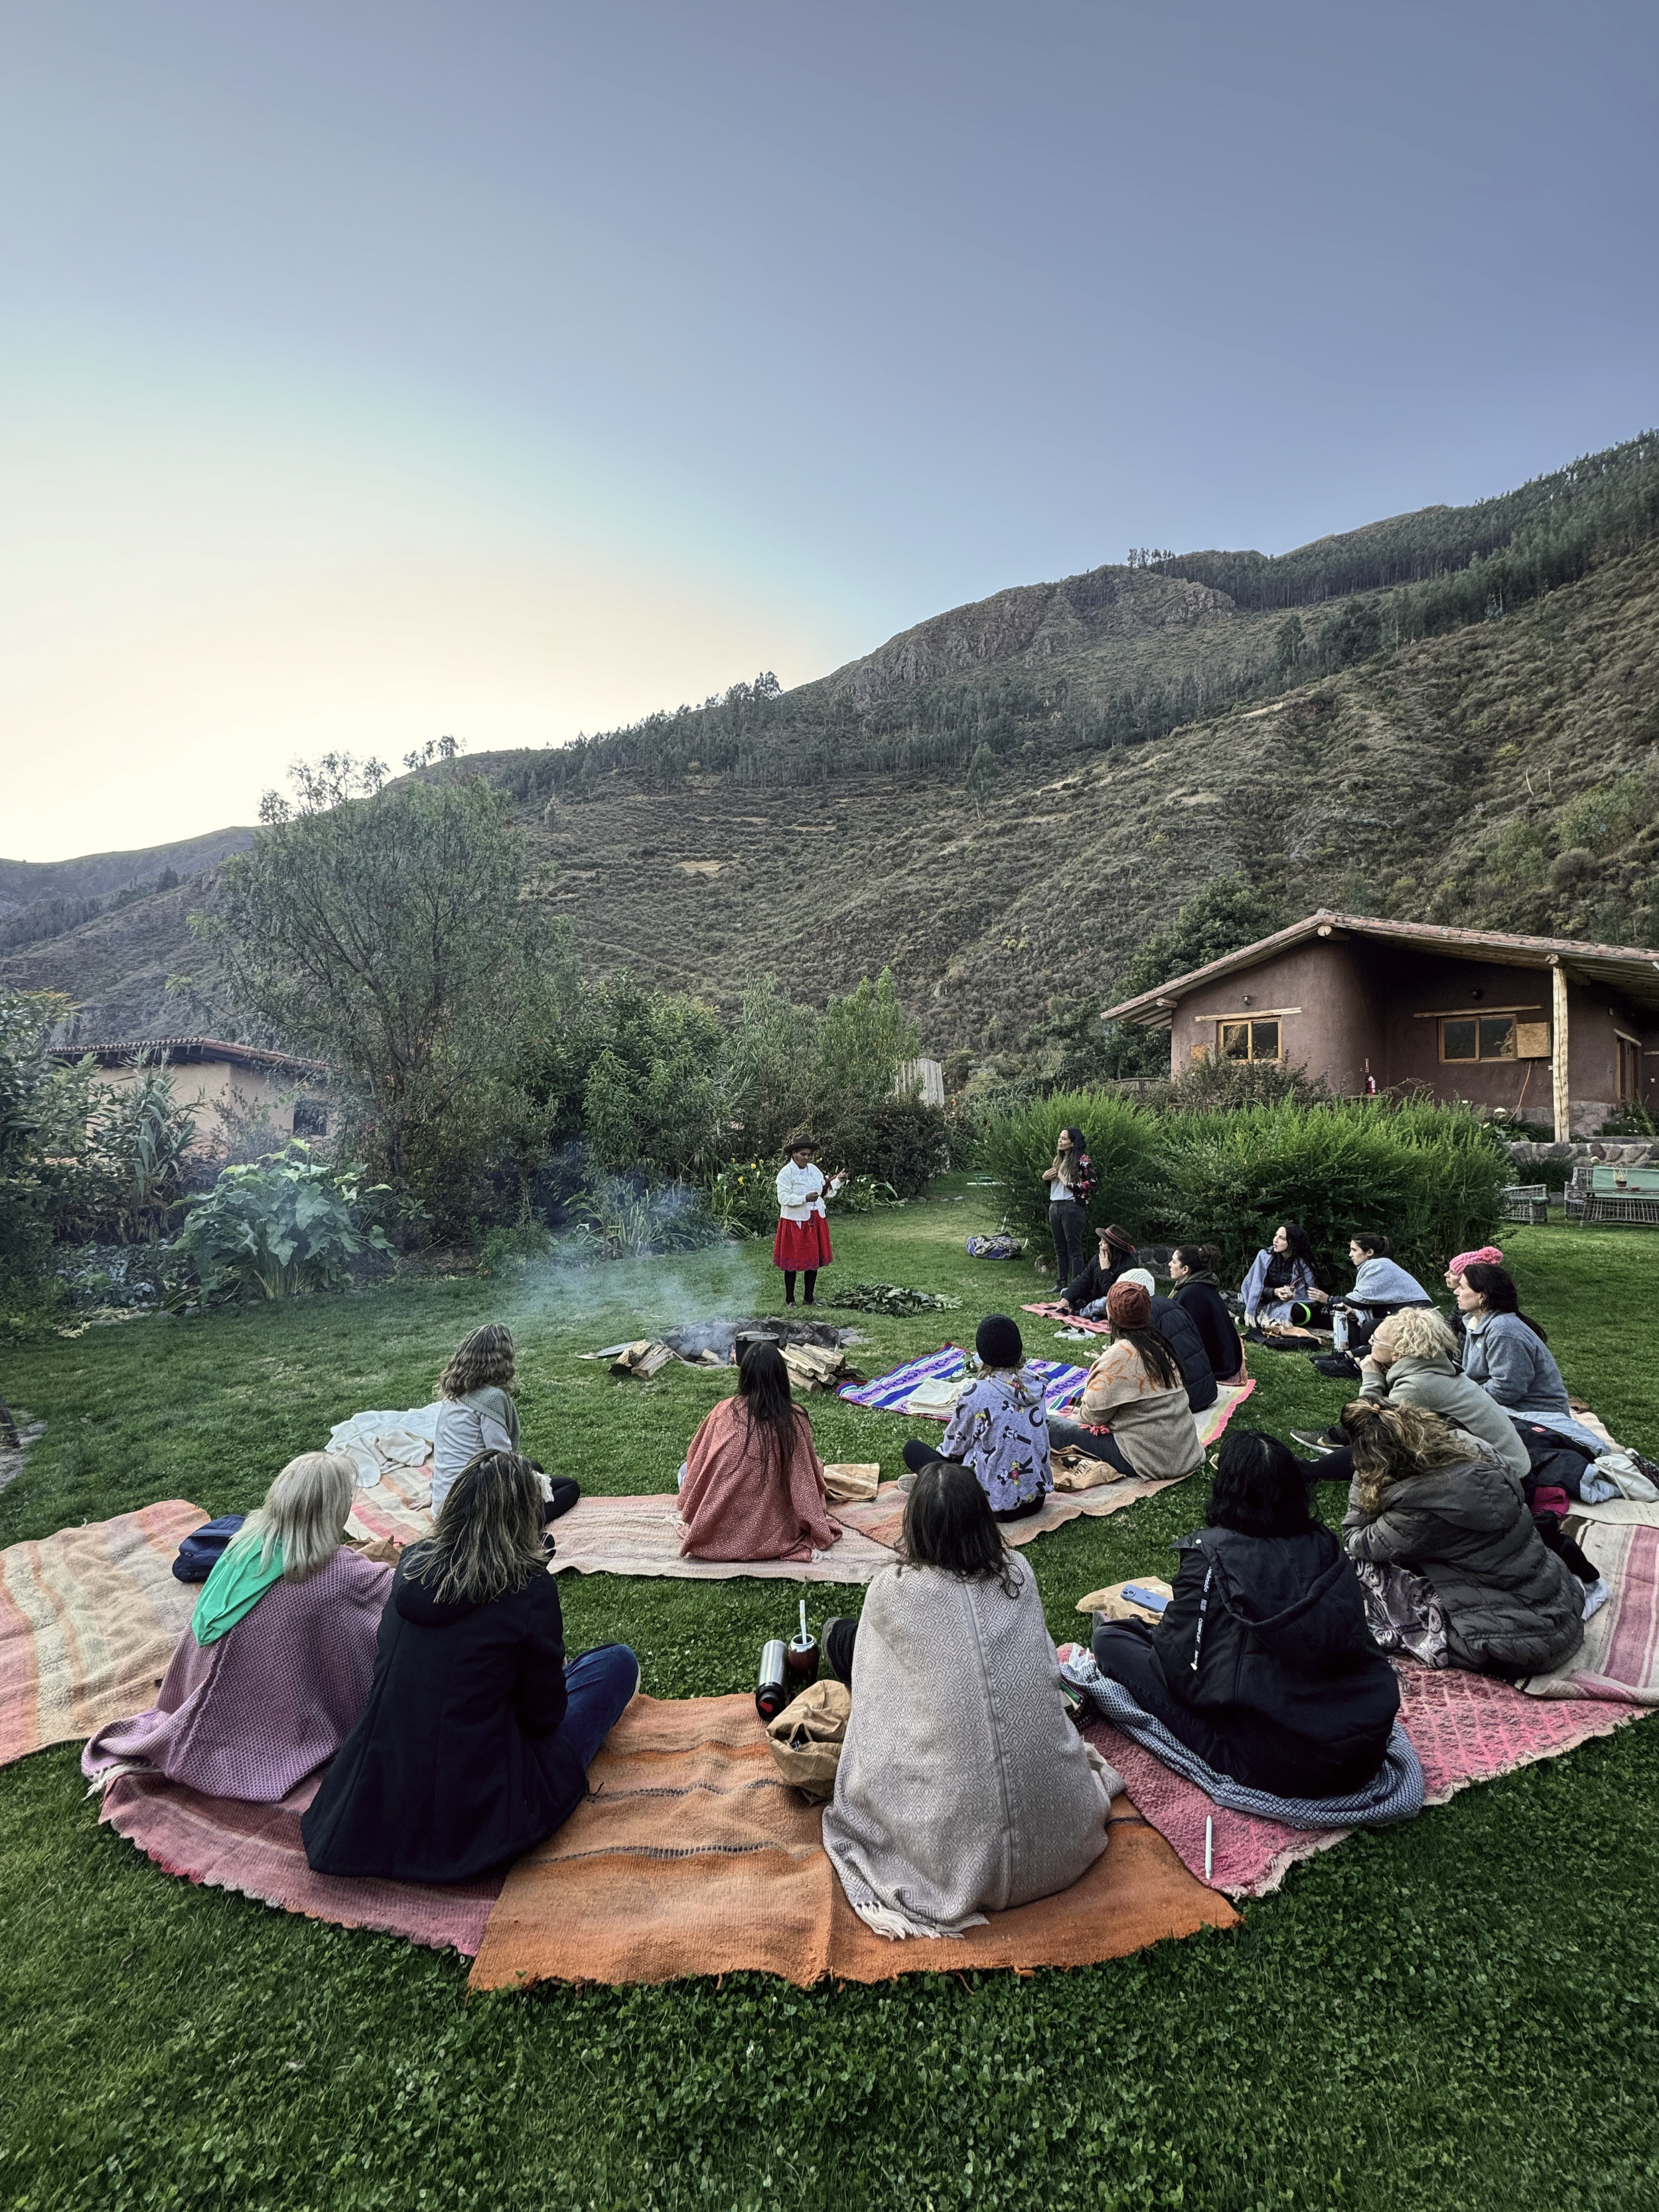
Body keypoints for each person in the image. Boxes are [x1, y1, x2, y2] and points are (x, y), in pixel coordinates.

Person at [302, 1451, 639, 1883]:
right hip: (477, 1807)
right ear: (526, 1518)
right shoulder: (529, 1589)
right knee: (615, 1664)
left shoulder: (411, 1563)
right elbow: (543, 1717)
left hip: (373, 1795)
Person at [820, 1460, 1116, 1938]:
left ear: (915, 1528)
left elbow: (878, 1703)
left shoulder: (891, 1592)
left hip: (949, 1861)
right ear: (983, 1518)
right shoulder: (1018, 1572)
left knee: (841, 1638)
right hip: (1063, 1842)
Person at [1089, 1431, 1400, 1797]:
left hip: (1283, 1764)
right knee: (1149, 1637)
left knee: (1110, 1641)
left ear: (1226, 1490)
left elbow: (1179, 1674)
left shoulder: (1211, 1560)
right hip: (1361, 1747)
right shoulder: (1326, 1547)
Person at [82, 1453, 391, 1803]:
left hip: (191, 1687)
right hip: (264, 1717)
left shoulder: (243, 1544)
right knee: (375, 1639)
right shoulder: (338, 1573)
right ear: (335, 1510)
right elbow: (395, 1602)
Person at [1340, 1401, 1585, 1678]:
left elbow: (1356, 1538)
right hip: (1561, 1611)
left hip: (1513, 1643)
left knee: (1355, 1570)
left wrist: (1364, 1477)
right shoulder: (1478, 1452)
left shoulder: (1418, 1509)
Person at [1291, 1305, 1532, 1485]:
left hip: (1502, 1476)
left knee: (1378, 1448)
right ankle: (1328, 1447)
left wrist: (1371, 1377)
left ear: (1399, 1353)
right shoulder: (1435, 1368)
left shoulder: (1417, 1386)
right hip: (1507, 1464)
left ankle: (1307, 1471)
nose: (1370, 1344)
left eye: (1375, 1341)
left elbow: (1370, 1427)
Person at [678, 1339, 841, 1561]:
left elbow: (698, 1458)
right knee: (816, 1466)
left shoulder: (723, 1410)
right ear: (781, 1377)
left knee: (685, 1469)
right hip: (776, 1524)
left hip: (721, 1524)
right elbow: (805, 1482)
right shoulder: (794, 1419)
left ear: (745, 1376)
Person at [1046, 1279, 1206, 1481]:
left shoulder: (1117, 1357)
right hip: (1184, 1453)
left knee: (1046, 1424)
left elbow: (1092, 1419)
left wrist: (1077, 1415)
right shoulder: (1161, 1345)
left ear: (1110, 1314)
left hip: (1146, 1458)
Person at [897, 1313, 1052, 1521]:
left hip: (992, 1507)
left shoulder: (976, 1394)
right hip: (1036, 1501)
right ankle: (928, 1485)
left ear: (982, 1353)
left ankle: (929, 1487)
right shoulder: (1036, 1385)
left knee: (913, 1450)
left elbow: (953, 1449)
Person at [1455, 1263, 1607, 1455]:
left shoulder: (1503, 1331)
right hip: (1504, 1406)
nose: (1456, 1292)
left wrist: (1464, 1394)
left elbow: (1507, 1391)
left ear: (1482, 1296)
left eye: (1463, 1287)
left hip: (1534, 1415)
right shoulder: (1476, 1323)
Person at [433, 1323, 579, 1524]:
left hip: (445, 1502)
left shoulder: (454, 1394)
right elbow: (502, 1459)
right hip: (470, 1508)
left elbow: (445, 1453)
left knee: (534, 1467)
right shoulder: (491, 1398)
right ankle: (517, 1530)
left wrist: (434, 1493)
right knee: (569, 1487)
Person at [1114, 1266, 1216, 1414]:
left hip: (1183, 1398)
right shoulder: (1173, 1303)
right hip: (1206, 1390)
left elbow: (1128, 1363)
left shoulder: (1141, 1316)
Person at [1328, 1232, 1432, 1351]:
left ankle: (1352, 1355)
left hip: (1417, 1320)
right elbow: (1372, 1305)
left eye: (1354, 1250)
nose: (1350, 1255)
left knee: (1371, 1329)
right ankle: (1350, 1352)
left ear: (1370, 1252)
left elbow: (1356, 1301)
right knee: (1351, 1316)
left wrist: (1328, 1299)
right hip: (1405, 1315)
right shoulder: (1378, 1265)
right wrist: (1355, 1314)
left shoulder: (1378, 1266)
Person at [772, 1136, 843, 1307]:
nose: (806, 1158)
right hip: (794, 1220)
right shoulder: (786, 1173)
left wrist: (838, 1180)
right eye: (803, 1154)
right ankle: (790, 1299)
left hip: (815, 1218)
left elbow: (823, 1190)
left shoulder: (814, 1170)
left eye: (809, 1155)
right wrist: (804, 1198)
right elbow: (782, 1197)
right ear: (794, 1154)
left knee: (812, 1260)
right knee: (792, 1260)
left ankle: (809, 1297)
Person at [1168, 1244, 1247, 1386]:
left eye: (1174, 1262)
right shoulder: (1202, 1285)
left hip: (1215, 1362)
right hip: (1225, 1356)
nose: (1169, 1264)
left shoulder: (1192, 1294)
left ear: (1185, 1269)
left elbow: (1188, 1337)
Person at [1041, 1126, 1093, 1293]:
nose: (1060, 1141)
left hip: (1072, 1206)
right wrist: (1045, 1179)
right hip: (1055, 1205)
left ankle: (1075, 1285)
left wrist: (1065, 1180)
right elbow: (1055, 1185)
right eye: (1060, 1138)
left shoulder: (1082, 1160)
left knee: (1074, 1248)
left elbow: (1090, 1184)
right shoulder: (1058, 1159)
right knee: (1060, 1247)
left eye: (1064, 1138)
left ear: (1073, 1142)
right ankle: (1061, 1282)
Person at [1240, 1223, 1323, 1328]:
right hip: (1263, 1301)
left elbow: (1308, 1296)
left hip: (1288, 1305)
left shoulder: (1303, 1264)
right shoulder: (1264, 1256)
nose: (1275, 1240)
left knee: (1301, 1312)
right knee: (1224, 1297)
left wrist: (1291, 1296)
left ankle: (1261, 1318)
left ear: (1292, 1242)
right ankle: (1265, 1319)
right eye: (1276, 1235)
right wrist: (1274, 1292)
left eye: (1281, 1238)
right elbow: (1252, 1287)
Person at [1054, 1223, 1136, 1315]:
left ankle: (1079, 1312)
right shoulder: (1099, 1257)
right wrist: (1067, 1298)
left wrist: (1105, 1271)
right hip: (1095, 1295)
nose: (1099, 1244)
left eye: (1104, 1243)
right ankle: (1082, 1306)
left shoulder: (1127, 1267)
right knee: (1066, 1292)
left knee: (1103, 1303)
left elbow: (1111, 1294)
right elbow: (1085, 1278)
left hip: (1115, 1301)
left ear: (1114, 1249)